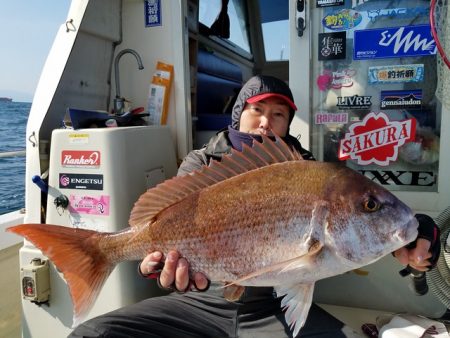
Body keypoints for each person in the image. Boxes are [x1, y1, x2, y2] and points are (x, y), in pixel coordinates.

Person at [70, 75, 440, 338]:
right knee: (95, 333)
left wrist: (417, 230)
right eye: (257, 109)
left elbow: (365, 225)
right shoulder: (201, 164)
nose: (266, 122)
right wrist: (159, 268)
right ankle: (98, 253)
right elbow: (159, 238)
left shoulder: (312, 171)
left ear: (287, 124)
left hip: (272, 311)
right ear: (238, 115)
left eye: (278, 114)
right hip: (202, 304)